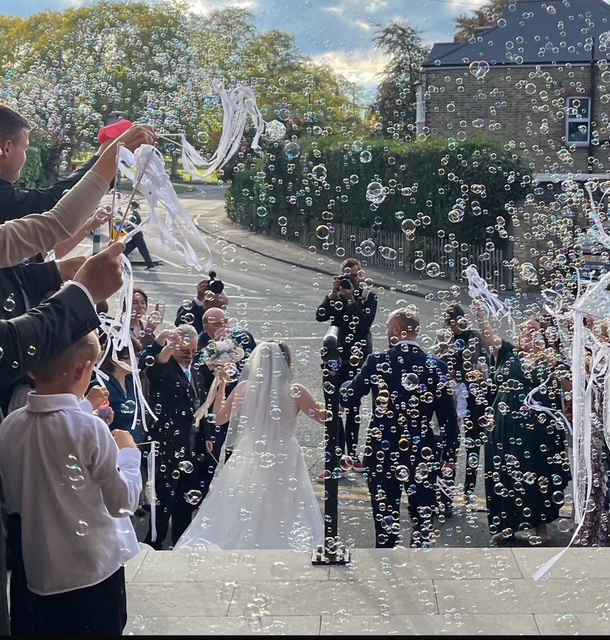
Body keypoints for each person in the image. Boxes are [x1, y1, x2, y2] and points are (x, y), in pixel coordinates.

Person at [0, 331, 141, 636]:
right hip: (94, 574)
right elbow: (122, 504)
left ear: (31, 369)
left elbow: (14, 500)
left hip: (36, 574)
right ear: (82, 370)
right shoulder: (90, 428)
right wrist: (129, 455)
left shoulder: (9, 426)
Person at [174, 341, 326, 552]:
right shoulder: (295, 391)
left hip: (251, 452)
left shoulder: (245, 388)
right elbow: (325, 418)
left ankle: (252, 542)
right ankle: (279, 543)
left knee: (247, 502)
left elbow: (218, 418)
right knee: (285, 503)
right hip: (285, 455)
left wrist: (221, 386)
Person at [339, 307, 460, 549]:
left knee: (385, 520)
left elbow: (349, 397)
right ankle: (420, 559)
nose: (386, 332)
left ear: (396, 329)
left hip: (382, 450)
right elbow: (448, 418)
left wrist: (341, 383)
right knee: (423, 520)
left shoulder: (377, 362)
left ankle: (387, 559)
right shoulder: (437, 366)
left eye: (387, 327)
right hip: (422, 449)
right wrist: (450, 456)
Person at [473, 300, 572, 547]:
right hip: (503, 427)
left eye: (534, 330)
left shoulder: (552, 362)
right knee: (503, 475)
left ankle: (540, 525)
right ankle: (505, 527)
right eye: (525, 329)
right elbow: (488, 336)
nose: (528, 333)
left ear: (545, 337)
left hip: (539, 431)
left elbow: (571, 390)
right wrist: (481, 315)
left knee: (539, 474)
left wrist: (568, 406)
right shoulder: (508, 352)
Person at [140, 324, 207, 549]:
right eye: (185, 351)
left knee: (184, 504)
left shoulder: (196, 371)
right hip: (167, 446)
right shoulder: (164, 368)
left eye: (194, 351)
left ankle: (179, 544)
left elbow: (201, 406)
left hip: (190, 447)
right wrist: (166, 345)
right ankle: (154, 545)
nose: (190, 356)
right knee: (163, 501)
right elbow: (152, 366)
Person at [315, 257, 378, 476]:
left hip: (356, 361)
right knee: (332, 410)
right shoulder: (337, 296)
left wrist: (351, 299)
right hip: (335, 360)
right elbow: (320, 316)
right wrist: (332, 296)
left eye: (354, 275)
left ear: (360, 275)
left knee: (352, 409)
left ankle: (353, 455)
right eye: (346, 275)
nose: (350, 279)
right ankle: (336, 458)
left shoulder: (368, 297)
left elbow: (364, 325)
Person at [193, 307, 256, 502]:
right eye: (216, 323)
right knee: (209, 457)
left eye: (225, 322)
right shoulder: (199, 344)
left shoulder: (240, 340)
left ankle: (233, 497)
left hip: (238, 405)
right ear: (205, 326)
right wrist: (214, 361)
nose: (223, 326)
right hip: (211, 408)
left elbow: (253, 366)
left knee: (236, 455)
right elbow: (197, 375)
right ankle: (200, 496)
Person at [440, 303, 493, 507]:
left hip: (473, 396)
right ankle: (446, 491)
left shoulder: (474, 338)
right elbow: (440, 364)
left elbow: (485, 365)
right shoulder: (447, 340)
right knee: (450, 442)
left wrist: (476, 373)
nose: (453, 327)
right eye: (450, 324)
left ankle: (469, 490)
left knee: (473, 443)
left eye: (455, 323)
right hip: (453, 395)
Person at [122, 200, 159, 270]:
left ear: (133, 206)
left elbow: (132, 226)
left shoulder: (135, 215)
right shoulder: (135, 214)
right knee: (126, 249)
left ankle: (150, 265)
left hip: (137, 235)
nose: (129, 207)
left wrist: (125, 226)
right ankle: (122, 261)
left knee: (143, 250)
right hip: (136, 235)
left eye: (130, 205)